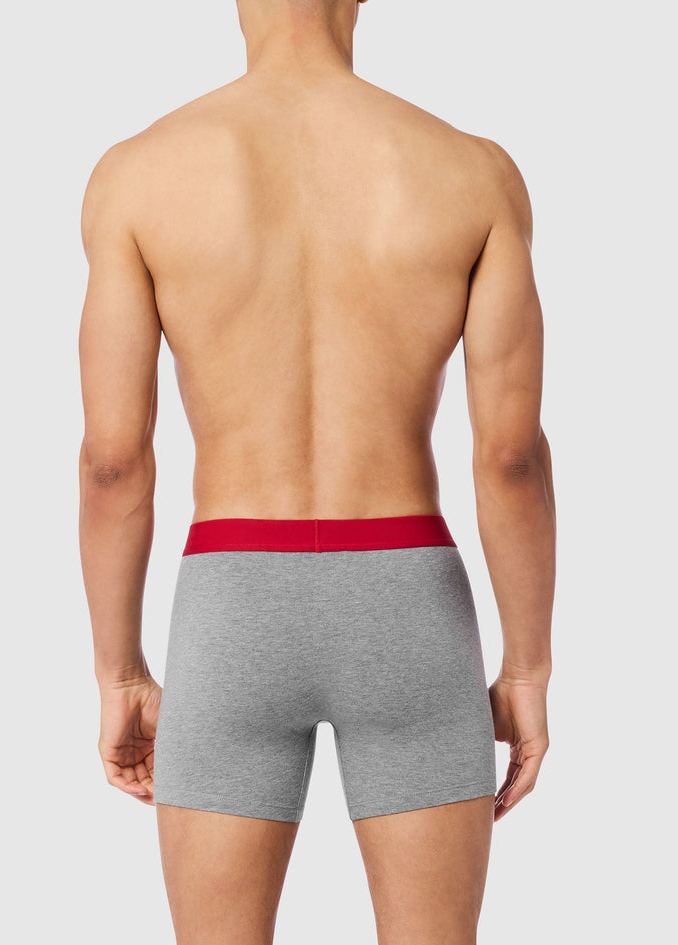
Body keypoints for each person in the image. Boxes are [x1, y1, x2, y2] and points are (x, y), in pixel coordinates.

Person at [77, 0, 556, 941]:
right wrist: (528, 667)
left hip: (231, 605)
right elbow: (510, 457)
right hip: (409, 603)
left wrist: (119, 670)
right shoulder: (471, 172)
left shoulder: (138, 175)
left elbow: (114, 461)